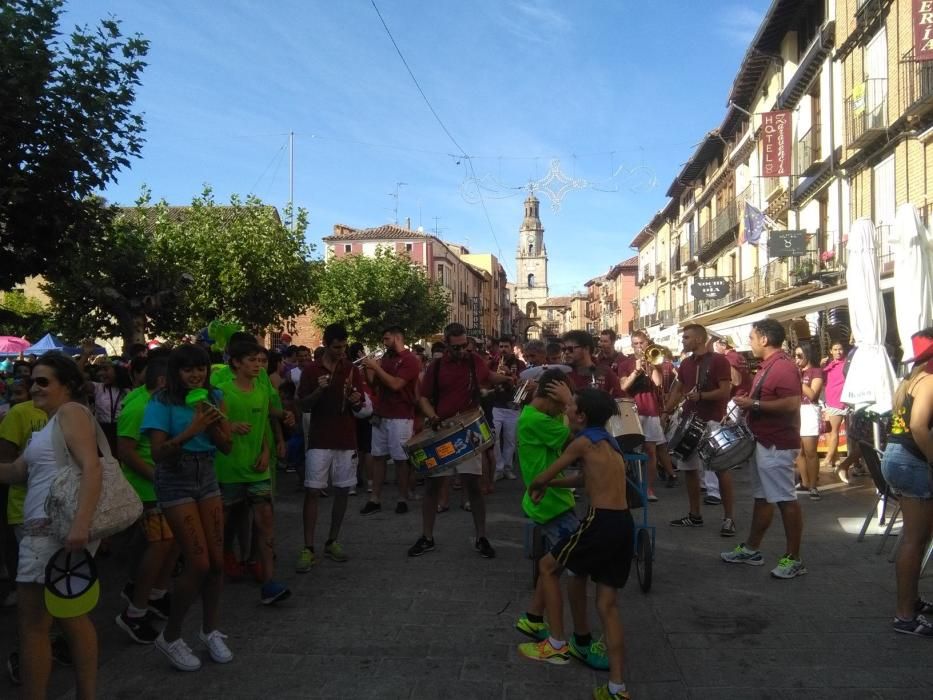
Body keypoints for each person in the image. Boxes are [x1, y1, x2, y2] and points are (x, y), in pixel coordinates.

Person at [0, 352, 103, 698]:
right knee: (69, 619)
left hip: (51, 533)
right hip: (50, 532)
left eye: (43, 381)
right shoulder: (51, 424)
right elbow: (16, 472)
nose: (34, 387)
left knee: (34, 625)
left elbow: (92, 467)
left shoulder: (71, 413)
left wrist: (81, 524)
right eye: (32, 381)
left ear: (68, 385)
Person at [521, 388, 634, 700]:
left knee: (547, 566)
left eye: (569, 406)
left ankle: (556, 643)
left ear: (581, 415)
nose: (565, 409)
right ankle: (616, 688)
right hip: (623, 524)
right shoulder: (609, 443)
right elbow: (585, 480)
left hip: (599, 522)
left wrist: (538, 483)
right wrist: (554, 483)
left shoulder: (584, 442)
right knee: (607, 605)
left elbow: (547, 473)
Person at [142, 344, 234, 671]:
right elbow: (157, 453)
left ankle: (210, 631)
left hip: (206, 475)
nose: (195, 375)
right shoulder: (161, 402)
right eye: (187, 369)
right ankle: (171, 635)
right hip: (175, 479)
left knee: (217, 563)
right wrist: (190, 430)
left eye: (200, 368)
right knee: (198, 563)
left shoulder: (216, 396)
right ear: (176, 373)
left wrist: (211, 424)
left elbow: (226, 446)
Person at [514, 370, 609, 671]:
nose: (565, 411)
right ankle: (567, 642)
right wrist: (571, 402)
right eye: (563, 405)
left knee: (551, 562)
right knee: (571, 570)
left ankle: (532, 619)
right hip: (550, 506)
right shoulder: (535, 420)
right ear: (551, 399)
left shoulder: (544, 415)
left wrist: (566, 400)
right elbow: (579, 436)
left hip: (552, 502)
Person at [408, 322, 512, 558]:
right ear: (446, 345)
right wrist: (432, 416)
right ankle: (427, 537)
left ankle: (482, 537)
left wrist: (505, 380)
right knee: (433, 488)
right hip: (443, 431)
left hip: (468, 430)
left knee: (474, 486)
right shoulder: (435, 367)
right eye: (456, 347)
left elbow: (488, 377)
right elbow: (423, 398)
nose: (462, 350)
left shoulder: (474, 361)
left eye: (464, 345)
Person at [722, 319, 806, 579]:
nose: (750, 341)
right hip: (764, 442)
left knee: (785, 499)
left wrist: (753, 404)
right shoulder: (769, 366)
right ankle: (751, 549)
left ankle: (793, 558)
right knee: (763, 497)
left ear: (764, 339)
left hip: (776, 444)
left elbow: (792, 403)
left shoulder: (783, 367)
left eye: (751, 337)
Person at [214, 340, 290, 605]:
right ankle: (213, 580)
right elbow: (209, 428)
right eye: (252, 360)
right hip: (228, 471)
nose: (258, 365)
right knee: (221, 527)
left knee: (265, 522)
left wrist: (267, 452)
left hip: (258, 470)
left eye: (260, 361)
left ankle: (269, 582)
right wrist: (230, 426)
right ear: (236, 362)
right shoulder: (221, 392)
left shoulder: (261, 389)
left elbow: (264, 425)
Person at [115, 355, 178, 644]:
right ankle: (135, 612)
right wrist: (155, 477)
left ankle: (155, 594)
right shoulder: (139, 407)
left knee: (171, 543)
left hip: (165, 488)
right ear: (164, 381)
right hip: (147, 491)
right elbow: (125, 451)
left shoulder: (159, 403)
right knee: (159, 545)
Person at [296, 324, 369, 570]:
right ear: (326, 344)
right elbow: (303, 405)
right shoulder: (310, 371)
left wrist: (355, 400)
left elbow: (359, 407)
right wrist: (319, 390)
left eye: (344, 346)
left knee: (342, 491)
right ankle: (308, 547)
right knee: (313, 491)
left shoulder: (351, 370)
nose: (341, 351)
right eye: (337, 347)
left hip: (346, 438)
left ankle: (332, 540)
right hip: (319, 438)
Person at [880, 328, 933, 637]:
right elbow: (919, 426)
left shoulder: (910, 380)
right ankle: (904, 616)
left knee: (919, 537)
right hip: (912, 460)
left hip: (899, 457)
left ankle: (911, 602)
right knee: (915, 539)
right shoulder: (929, 381)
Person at [664, 324, 737, 536]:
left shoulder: (719, 360)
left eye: (686, 337)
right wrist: (666, 411)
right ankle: (694, 515)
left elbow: (725, 391)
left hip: (712, 421)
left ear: (698, 339)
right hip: (689, 419)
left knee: (721, 469)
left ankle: (729, 518)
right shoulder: (686, 363)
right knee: (688, 469)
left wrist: (702, 396)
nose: (683, 341)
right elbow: (678, 389)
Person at [360, 326, 421, 515]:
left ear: (397, 338)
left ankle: (402, 498)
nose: (384, 343)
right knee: (378, 457)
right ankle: (375, 498)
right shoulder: (386, 359)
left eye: (387, 339)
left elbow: (396, 384)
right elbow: (374, 385)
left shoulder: (410, 360)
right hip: (382, 414)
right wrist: (368, 369)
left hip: (401, 416)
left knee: (401, 459)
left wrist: (376, 367)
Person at [617, 330, 676, 500]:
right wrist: (635, 371)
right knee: (626, 450)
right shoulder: (625, 364)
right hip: (630, 411)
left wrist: (649, 367)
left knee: (651, 451)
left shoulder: (655, 361)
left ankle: (649, 488)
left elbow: (658, 382)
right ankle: (626, 487)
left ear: (647, 343)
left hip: (650, 410)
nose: (639, 347)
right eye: (635, 344)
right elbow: (623, 387)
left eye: (641, 343)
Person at [490, 336, 526, 481]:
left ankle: (507, 467)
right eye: (501, 347)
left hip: (513, 405)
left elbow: (523, 383)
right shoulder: (493, 363)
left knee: (510, 440)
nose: (503, 349)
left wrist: (509, 373)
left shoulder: (519, 364)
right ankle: (498, 468)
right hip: (496, 404)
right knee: (495, 438)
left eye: (506, 347)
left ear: (512, 348)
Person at [794, 344, 824, 500]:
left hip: (809, 411)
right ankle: (804, 482)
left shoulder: (816, 371)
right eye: (795, 355)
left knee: (811, 452)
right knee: (798, 451)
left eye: (799, 355)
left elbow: (813, 395)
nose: (796, 359)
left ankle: (813, 486)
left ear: (808, 355)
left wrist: (798, 380)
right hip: (795, 410)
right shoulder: (797, 372)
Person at [561, 331, 622, 397]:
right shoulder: (563, 373)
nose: (566, 352)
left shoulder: (605, 372)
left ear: (586, 349)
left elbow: (619, 399)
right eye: (564, 349)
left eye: (570, 349)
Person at [821, 342, 848, 477]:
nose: (838, 352)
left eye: (840, 349)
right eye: (835, 349)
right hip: (830, 401)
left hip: (841, 401)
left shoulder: (847, 364)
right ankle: (836, 459)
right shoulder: (828, 365)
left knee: (834, 431)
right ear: (831, 351)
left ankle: (828, 458)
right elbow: (821, 379)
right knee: (829, 431)